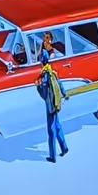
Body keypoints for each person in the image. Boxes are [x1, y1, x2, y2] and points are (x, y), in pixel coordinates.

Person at [36, 34, 69, 163]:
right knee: (58, 125)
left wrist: (38, 87)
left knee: (51, 130)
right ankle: (64, 147)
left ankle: (53, 156)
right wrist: (64, 94)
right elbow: (60, 84)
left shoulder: (44, 76)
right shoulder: (52, 71)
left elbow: (44, 95)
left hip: (50, 106)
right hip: (57, 102)